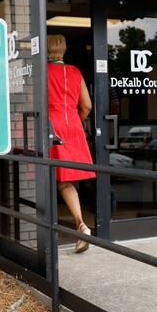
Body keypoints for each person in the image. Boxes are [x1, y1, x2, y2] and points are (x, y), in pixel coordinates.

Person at [47, 34, 96, 253]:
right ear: (64, 49)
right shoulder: (75, 72)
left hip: (51, 127)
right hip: (73, 125)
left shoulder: (42, 72)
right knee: (66, 181)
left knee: (54, 180)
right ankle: (81, 226)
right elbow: (86, 105)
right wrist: (76, 122)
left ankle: (80, 226)